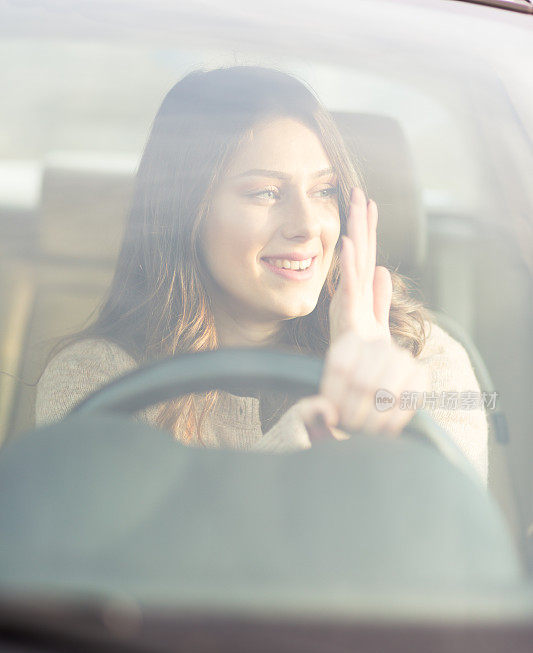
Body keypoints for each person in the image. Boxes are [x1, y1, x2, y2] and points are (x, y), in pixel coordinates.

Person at [35, 66, 488, 484]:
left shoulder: (423, 360)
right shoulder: (98, 381)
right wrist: (326, 426)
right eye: (265, 192)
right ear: (184, 215)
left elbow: (449, 557)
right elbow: (133, 565)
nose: (307, 225)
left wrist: (382, 416)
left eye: (324, 190)